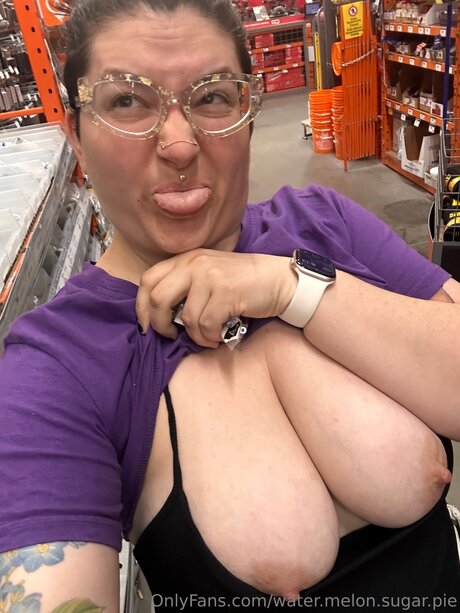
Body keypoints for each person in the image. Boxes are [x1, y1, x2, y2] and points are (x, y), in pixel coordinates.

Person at [1, 0, 460, 610]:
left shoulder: (323, 224)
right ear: (77, 140)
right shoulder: (56, 366)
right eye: (127, 101)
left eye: (213, 96)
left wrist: (292, 287)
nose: (179, 145)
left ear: (248, 117)